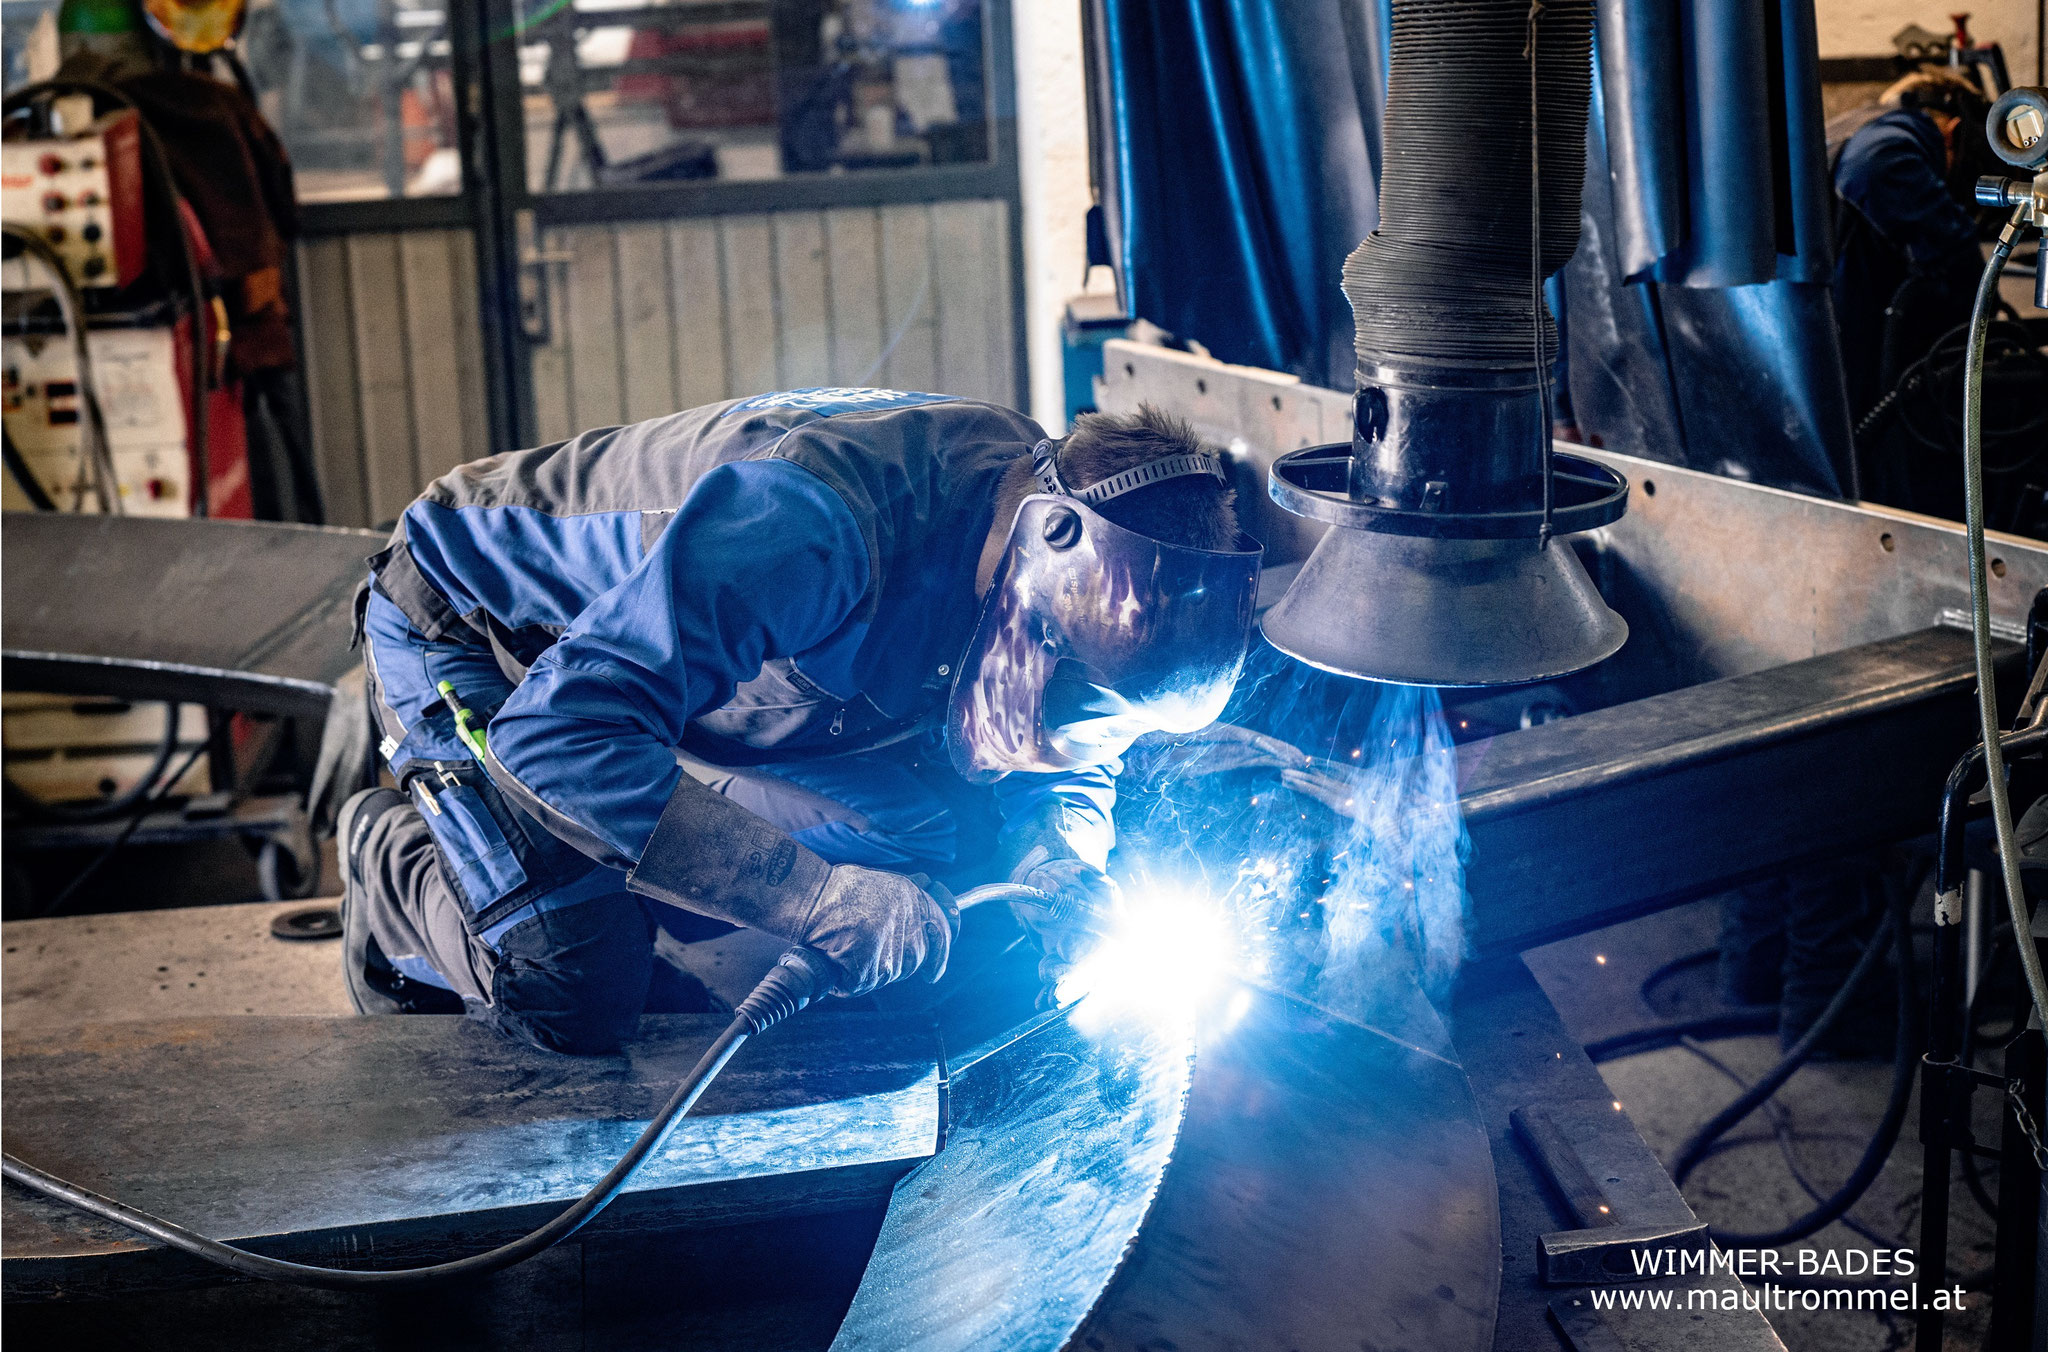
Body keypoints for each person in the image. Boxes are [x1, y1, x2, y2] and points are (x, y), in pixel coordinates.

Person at [337, 389, 1260, 1054]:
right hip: (483, 638)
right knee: (575, 985)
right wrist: (811, 899)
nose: (1068, 737)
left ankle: (639, 879)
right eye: (1062, 700)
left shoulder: (1039, 523)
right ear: (1038, 555)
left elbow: (1072, 758)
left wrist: (1056, 851)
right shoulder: (812, 525)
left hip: (702, 679)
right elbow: (562, 739)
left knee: (956, 842)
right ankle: (388, 856)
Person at [1828, 69, 1995, 510]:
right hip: (1851, 366)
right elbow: (1874, 168)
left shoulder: (1854, 121)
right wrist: (1969, 277)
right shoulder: (1899, 134)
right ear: (1955, 132)